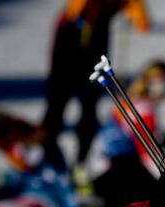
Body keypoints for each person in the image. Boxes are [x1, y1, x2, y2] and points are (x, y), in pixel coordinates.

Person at [42, 0, 150, 196]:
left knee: (88, 111)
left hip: (96, 39)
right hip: (70, 38)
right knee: (55, 112)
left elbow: (143, 24)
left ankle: (80, 167)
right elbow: (74, 11)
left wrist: (132, 12)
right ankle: (46, 167)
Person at [93, 59, 165, 207]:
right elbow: (147, 153)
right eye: (161, 80)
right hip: (113, 175)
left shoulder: (132, 100)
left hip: (105, 171)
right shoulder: (143, 108)